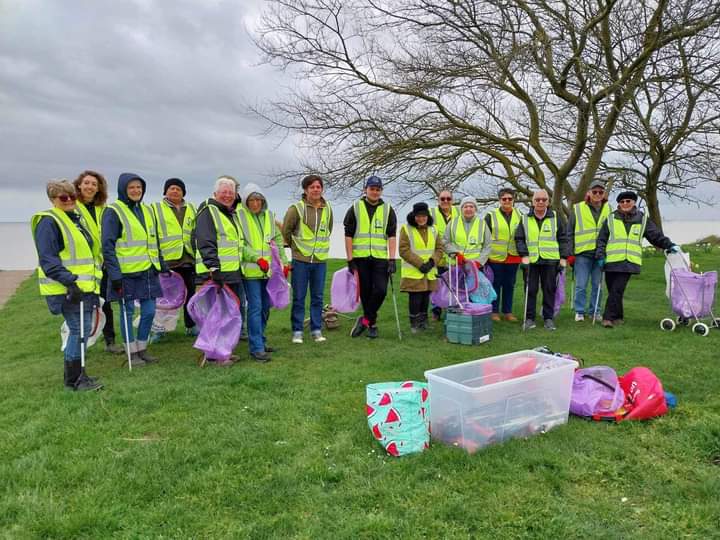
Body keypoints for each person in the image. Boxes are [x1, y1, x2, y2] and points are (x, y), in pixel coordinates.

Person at [31, 180, 103, 391]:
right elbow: (48, 259)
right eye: (64, 197)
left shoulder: (74, 219)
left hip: (84, 287)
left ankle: (79, 374)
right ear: (53, 199)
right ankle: (74, 380)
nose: (70, 200)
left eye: (72, 196)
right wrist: (70, 282)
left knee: (84, 330)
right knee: (78, 331)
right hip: (66, 289)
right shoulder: (49, 222)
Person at [102, 173, 165, 367]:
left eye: (139, 187)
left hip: (147, 271)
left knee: (149, 311)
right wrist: (115, 275)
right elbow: (107, 246)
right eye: (132, 188)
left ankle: (142, 348)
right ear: (123, 189)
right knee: (127, 313)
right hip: (125, 274)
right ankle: (132, 353)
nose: (136, 191)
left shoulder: (147, 210)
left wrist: (161, 263)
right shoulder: (113, 211)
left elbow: (153, 240)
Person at [595, 190, 678, 328]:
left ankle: (608, 318)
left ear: (633, 202)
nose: (625, 203)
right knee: (614, 290)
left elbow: (655, 236)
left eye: (628, 201)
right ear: (619, 204)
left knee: (617, 289)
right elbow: (602, 239)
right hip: (611, 260)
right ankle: (618, 317)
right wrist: (600, 255)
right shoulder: (611, 218)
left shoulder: (643, 219)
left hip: (629, 261)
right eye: (622, 202)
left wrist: (669, 245)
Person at [194, 177, 245, 366]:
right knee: (214, 315)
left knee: (226, 314)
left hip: (230, 272)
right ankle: (212, 355)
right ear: (215, 193)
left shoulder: (227, 212)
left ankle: (223, 351)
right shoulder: (209, 211)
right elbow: (205, 241)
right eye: (223, 192)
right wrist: (213, 268)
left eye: (231, 193)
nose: (227, 195)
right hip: (214, 274)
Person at [237, 183, 289, 362]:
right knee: (255, 307)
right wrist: (256, 259)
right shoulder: (239, 216)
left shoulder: (269, 216)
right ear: (246, 201)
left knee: (266, 307)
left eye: (259, 199)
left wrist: (284, 263)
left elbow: (278, 240)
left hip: (269, 272)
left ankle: (260, 339)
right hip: (251, 272)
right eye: (252, 199)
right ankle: (256, 348)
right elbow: (240, 245)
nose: (256, 203)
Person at [344, 176, 398, 339]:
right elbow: (348, 235)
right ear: (365, 190)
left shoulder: (388, 210)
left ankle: (365, 319)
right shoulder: (355, 207)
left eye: (377, 189)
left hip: (380, 258)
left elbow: (392, 236)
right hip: (360, 258)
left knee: (381, 291)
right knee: (366, 293)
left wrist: (392, 259)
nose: (375, 192)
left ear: (381, 191)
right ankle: (372, 324)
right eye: (372, 189)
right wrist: (350, 259)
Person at [282, 174, 333, 344]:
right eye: (312, 187)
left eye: (318, 187)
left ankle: (316, 329)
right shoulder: (296, 208)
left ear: (322, 189)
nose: (316, 190)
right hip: (301, 260)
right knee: (299, 297)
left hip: (320, 261)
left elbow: (329, 230)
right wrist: (295, 248)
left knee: (317, 297)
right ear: (305, 190)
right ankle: (297, 331)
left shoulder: (328, 209)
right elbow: (286, 231)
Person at [151, 178, 198, 340]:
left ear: (183, 192)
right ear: (165, 191)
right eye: (171, 188)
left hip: (188, 259)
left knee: (191, 295)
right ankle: (159, 330)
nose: (175, 191)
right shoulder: (155, 208)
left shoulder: (191, 208)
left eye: (178, 189)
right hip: (167, 261)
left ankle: (191, 325)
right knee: (164, 298)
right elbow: (153, 235)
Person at [515, 189, 569, 331]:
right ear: (532, 202)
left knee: (549, 289)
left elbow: (563, 239)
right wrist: (524, 255)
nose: (540, 202)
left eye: (544, 200)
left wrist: (563, 258)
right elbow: (519, 239)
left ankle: (548, 318)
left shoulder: (556, 218)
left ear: (548, 202)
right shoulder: (524, 218)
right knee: (530, 290)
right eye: (537, 199)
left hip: (551, 260)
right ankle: (529, 318)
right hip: (531, 261)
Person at [567, 179, 611, 322]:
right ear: (589, 193)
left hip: (601, 254)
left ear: (604, 194)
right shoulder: (577, 208)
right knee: (581, 285)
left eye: (600, 192)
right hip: (582, 254)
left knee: (597, 285)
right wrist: (570, 254)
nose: (597, 194)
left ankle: (595, 311)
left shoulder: (609, 209)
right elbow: (570, 232)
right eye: (594, 191)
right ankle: (579, 311)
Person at [399, 202, 443, 332]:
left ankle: (424, 322)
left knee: (425, 297)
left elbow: (439, 248)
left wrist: (431, 262)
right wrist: (420, 264)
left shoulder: (434, 229)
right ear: (414, 216)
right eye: (418, 216)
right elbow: (403, 250)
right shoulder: (406, 229)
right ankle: (414, 324)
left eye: (423, 216)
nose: (421, 218)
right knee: (415, 297)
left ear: (427, 216)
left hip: (429, 270)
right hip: (414, 271)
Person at [484, 188, 523, 322]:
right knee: (495, 284)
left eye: (509, 199)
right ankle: (494, 311)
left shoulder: (521, 215)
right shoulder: (490, 215)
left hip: (513, 256)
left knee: (509, 285)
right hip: (495, 257)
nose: (507, 201)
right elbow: (485, 236)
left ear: (514, 200)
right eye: (504, 199)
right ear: (499, 200)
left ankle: (508, 312)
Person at [443, 196, 492, 274]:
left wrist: (479, 262)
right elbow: (445, 242)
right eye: (465, 207)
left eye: (471, 207)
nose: (468, 209)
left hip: (476, 267)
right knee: (457, 286)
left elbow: (487, 246)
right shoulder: (452, 223)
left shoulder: (482, 224)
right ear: (461, 209)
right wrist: (456, 254)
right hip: (456, 265)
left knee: (475, 286)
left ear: (475, 209)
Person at [430, 189, 458, 320]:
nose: (445, 201)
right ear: (438, 200)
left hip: (454, 258)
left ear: (452, 200)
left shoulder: (459, 212)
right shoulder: (431, 213)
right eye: (442, 199)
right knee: (436, 286)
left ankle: (452, 310)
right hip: (438, 257)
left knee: (453, 286)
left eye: (448, 199)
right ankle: (436, 312)